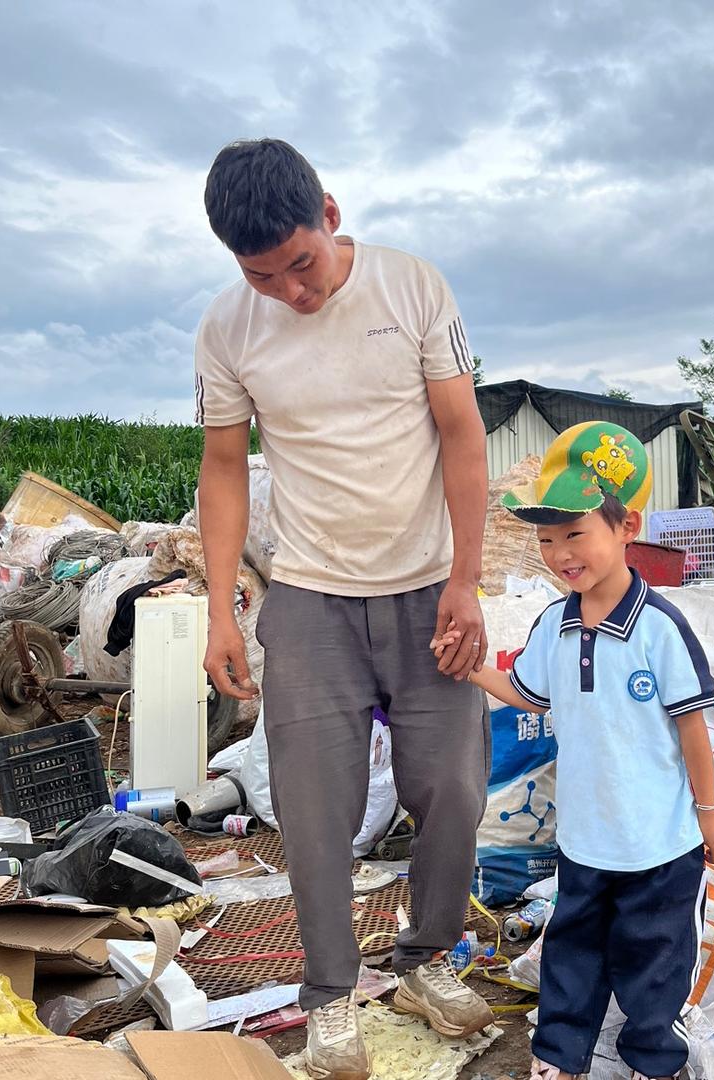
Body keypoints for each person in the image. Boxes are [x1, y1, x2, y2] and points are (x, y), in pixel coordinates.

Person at [194, 138, 494, 1080]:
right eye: (263, 276)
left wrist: (467, 577)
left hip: (425, 589)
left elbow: (461, 432)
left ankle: (425, 961)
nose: (292, 292)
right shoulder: (227, 330)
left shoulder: (412, 288)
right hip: (312, 596)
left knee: (451, 787)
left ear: (329, 211)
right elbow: (223, 468)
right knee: (314, 811)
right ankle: (328, 996)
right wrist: (219, 612)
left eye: (301, 264)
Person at [434, 422, 714, 1080]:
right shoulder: (555, 623)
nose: (560, 553)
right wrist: (470, 669)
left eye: (575, 533)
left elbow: (692, 728)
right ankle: (557, 1059)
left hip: (661, 845)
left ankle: (653, 1062)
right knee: (573, 954)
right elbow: (528, 694)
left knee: (656, 963)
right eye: (546, 538)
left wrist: (709, 812)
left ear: (627, 526)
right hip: (586, 842)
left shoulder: (660, 629)